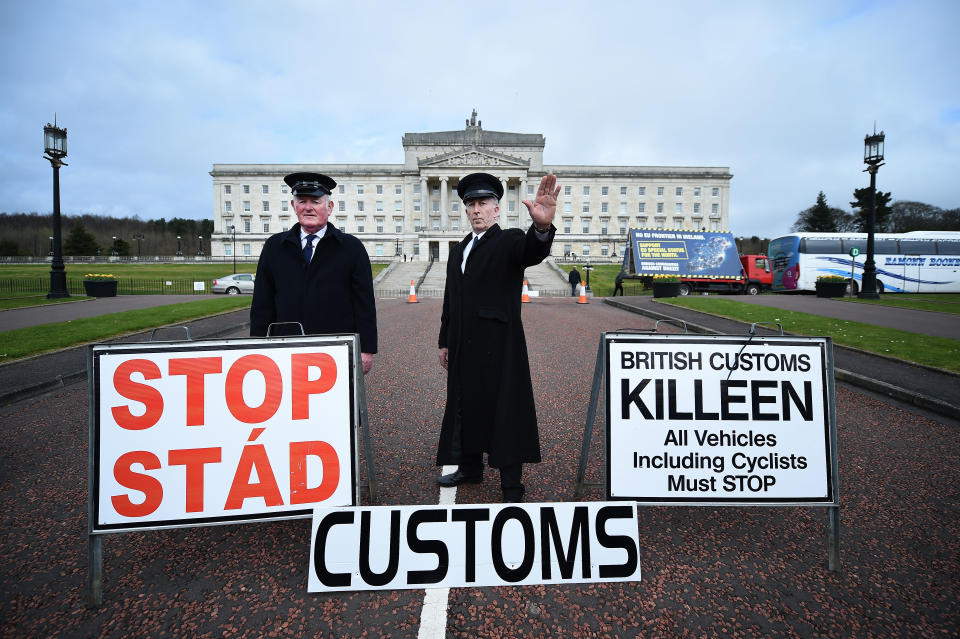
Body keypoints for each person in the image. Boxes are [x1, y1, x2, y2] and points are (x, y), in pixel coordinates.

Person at [436, 172, 560, 502]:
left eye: (483, 203)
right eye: (471, 204)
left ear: (496, 210)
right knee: (465, 406)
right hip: (464, 345)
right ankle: (470, 468)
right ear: (466, 211)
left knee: (505, 411)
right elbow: (452, 299)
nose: (476, 209)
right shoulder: (459, 249)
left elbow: (531, 251)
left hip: (499, 346)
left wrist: (542, 228)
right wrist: (444, 340)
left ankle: (511, 485)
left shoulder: (507, 241)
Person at [251, 172, 377, 374]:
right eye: (302, 201)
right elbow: (262, 303)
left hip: (336, 350)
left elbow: (364, 304)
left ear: (329, 207)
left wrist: (367, 349)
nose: (308, 207)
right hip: (284, 348)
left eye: (315, 201)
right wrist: (256, 347)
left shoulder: (352, 248)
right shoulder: (274, 246)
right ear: (294, 206)